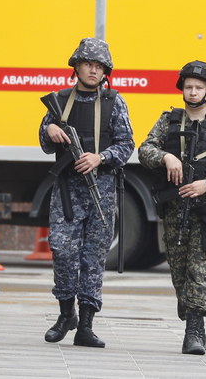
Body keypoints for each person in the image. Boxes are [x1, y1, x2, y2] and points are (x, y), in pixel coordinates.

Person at [138, 60, 206, 355]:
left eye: (199, 87)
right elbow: (145, 149)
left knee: (201, 267)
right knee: (180, 270)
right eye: (188, 87)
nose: (193, 92)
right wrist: (165, 158)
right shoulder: (169, 121)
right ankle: (189, 313)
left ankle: (194, 330)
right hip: (175, 207)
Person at [39, 38, 133, 348]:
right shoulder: (60, 100)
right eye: (88, 64)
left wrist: (99, 157)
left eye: (99, 66)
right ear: (76, 66)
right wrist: (50, 130)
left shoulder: (114, 102)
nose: (93, 70)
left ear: (105, 71)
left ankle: (86, 325)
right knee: (63, 251)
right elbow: (44, 139)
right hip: (67, 188)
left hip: (101, 190)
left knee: (93, 258)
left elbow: (126, 145)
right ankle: (66, 314)